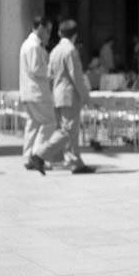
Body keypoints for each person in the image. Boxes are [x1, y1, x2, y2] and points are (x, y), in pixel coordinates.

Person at [48, 19, 95, 174]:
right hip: (69, 96)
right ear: (75, 35)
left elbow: (49, 75)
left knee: (70, 131)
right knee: (68, 131)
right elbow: (77, 77)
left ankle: (75, 162)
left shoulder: (55, 50)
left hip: (57, 95)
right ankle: (40, 154)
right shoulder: (70, 50)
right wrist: (86, 97)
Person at [19, 16, 55, 171]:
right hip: (38, 92)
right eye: (48, 31)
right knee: (49, 122)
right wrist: (51, 71)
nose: (49, 35)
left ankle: (28, 156)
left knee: (33, 124)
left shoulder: (27, 44)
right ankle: (37, 155)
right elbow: (36, 69)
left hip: (29, 92)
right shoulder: (34, 46)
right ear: (40, 28)